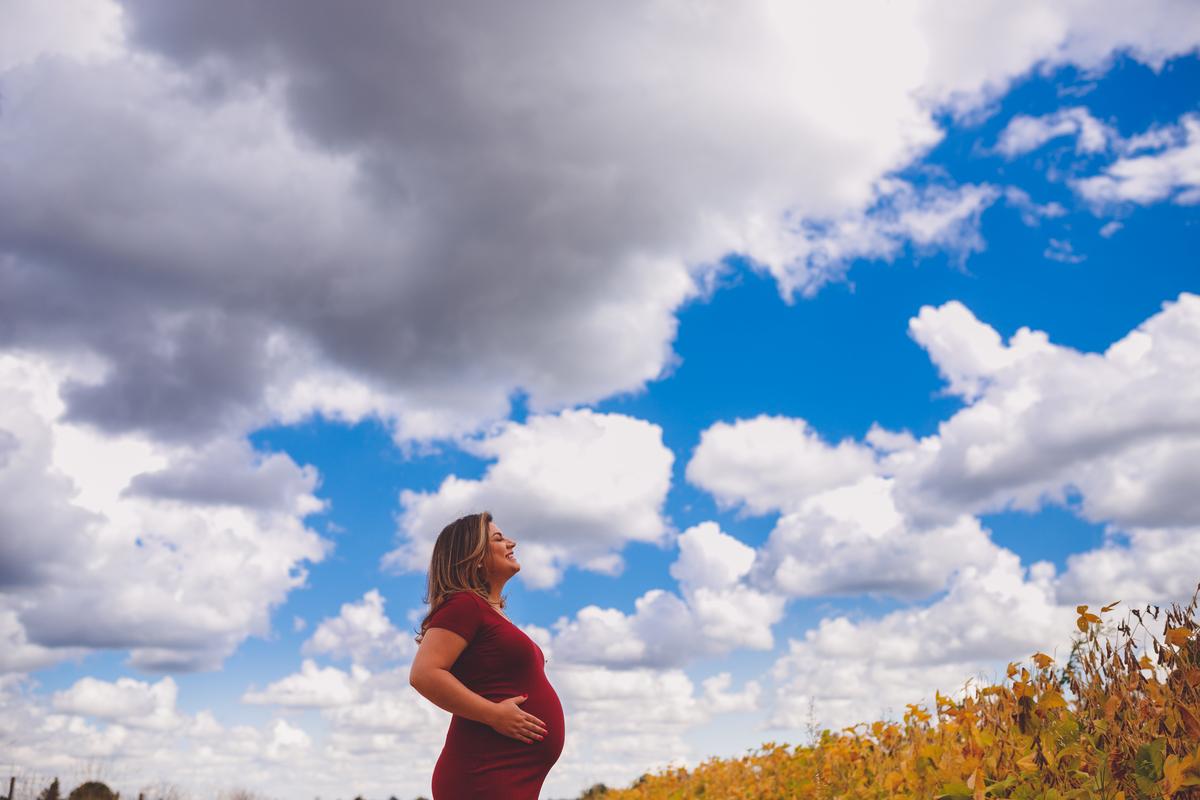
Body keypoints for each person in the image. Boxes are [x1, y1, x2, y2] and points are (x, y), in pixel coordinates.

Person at [409, 512, 564, 799]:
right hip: (484, 774)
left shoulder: (489, 612)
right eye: (498, 538)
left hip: (507, 774)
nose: (511, 543)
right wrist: (494, 715)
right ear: (474, 556)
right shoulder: (464, 604)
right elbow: (424, 674)